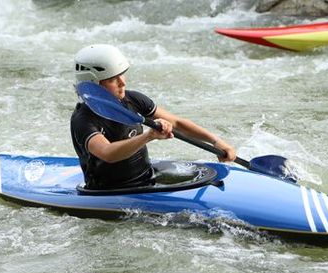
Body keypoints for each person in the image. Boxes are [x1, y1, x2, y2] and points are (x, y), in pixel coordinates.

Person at [70, 44, 237, 189]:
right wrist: (149, 136)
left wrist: (216, 141)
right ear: (93, 85)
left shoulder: (132, 99)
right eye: (113, 79)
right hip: (109, 189)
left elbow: (177, 123)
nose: (123, 82)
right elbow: (107, 153)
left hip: (146, 176)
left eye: (122, 75)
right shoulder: (83, 119)